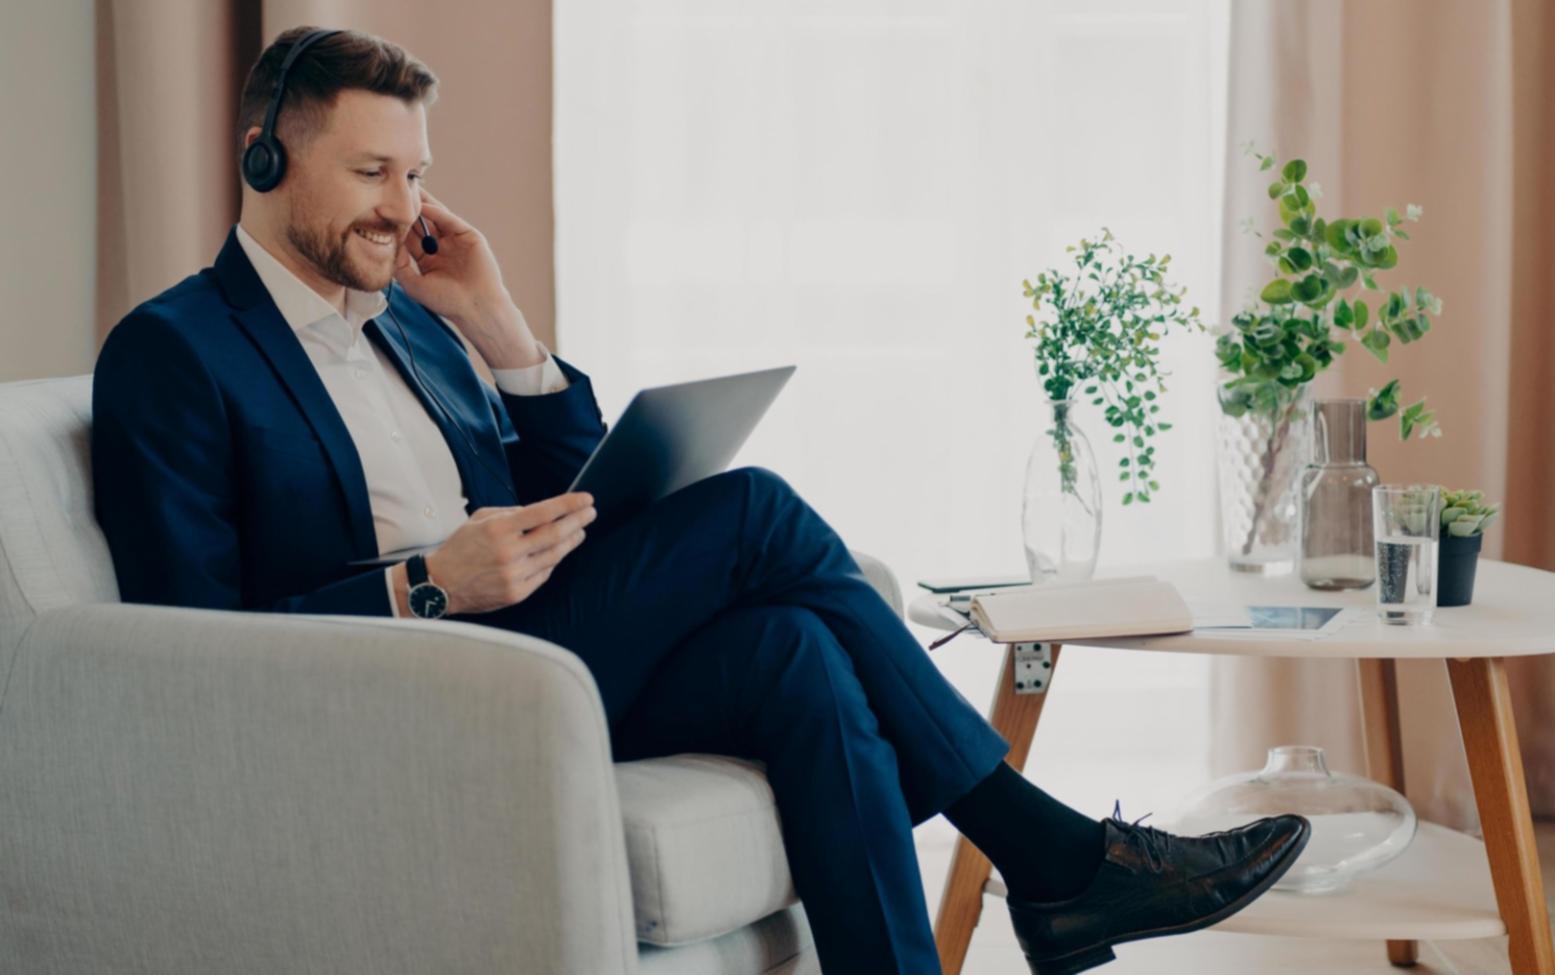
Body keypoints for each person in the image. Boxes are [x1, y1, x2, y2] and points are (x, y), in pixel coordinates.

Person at [90, 27, 1309, 975]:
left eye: (415, 174)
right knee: (755, 510)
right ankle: (1053, 856)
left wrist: (501, 328)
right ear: (264, 156)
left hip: (527, 653)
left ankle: (993, 910)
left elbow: (572, 495)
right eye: (370, 172)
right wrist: (427, 586)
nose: (403, 208)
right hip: (397, 698)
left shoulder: (415, 324)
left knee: (796, 656)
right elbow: (181, 647)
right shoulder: (175, 351)